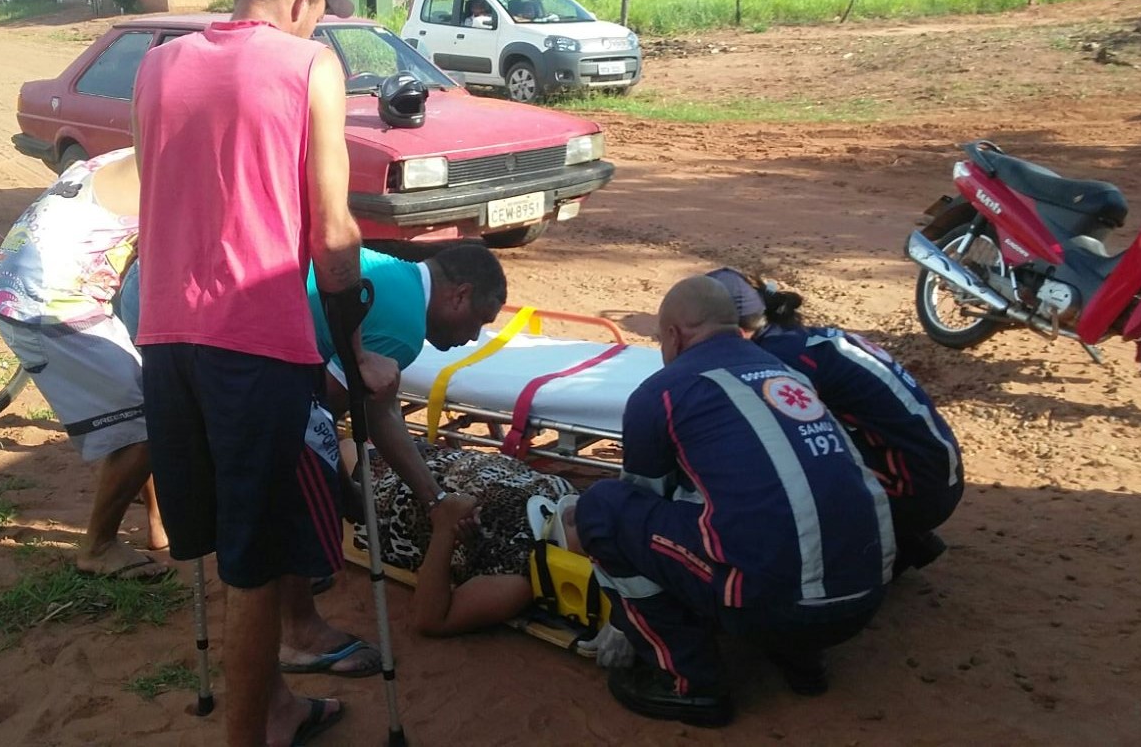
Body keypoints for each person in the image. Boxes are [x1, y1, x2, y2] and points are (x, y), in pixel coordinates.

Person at [131, 0, 366, 747]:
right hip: (256, 339)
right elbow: (332, 233)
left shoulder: (157, 64)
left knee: (219, 545)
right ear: (305, 1)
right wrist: (347, 341)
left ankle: (274, 709)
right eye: (320, 10)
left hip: (164, 332)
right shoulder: (311, 66)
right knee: (259, 562)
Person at [118, 243, 508, 672]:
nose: (472, 338)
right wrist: (345, 490)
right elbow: (312, 416)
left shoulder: (394, 273)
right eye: (478, 322)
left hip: (164, 284)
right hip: (206, 313)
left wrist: (427, 497)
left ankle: (283, 585)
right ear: (459, 294)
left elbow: (376, 410)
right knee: (284, 468)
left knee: (254, 454)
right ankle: (297, 630)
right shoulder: (405, 328)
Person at [575, 276, 896, 728]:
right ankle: (802, 661)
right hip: (864, 596)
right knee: (775, 505)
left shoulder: (661, 392)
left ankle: (689, 681)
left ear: (673, 334)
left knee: (605, 508)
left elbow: (638, 505)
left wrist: (622, 614)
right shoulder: (788, 374)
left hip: (773, 606)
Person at [0, 147, 166, 580]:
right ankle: (98, 547)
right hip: (48, 300)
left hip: (25, 282)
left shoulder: (138, 151)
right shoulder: (180, 170)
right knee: (148, 424)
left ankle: (159, 523)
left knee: (141, 402)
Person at [705, 267, 963, 572]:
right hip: (938, 473)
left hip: (918, 487)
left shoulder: (779, 362)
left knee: (776, 462)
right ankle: (900, 537)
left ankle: (865, 556)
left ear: (737, 331)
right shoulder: (799, 340)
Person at [348, 443, 576, 637]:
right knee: (338, 440)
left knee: (336, 449)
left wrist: (444, 529)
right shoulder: (567, 496)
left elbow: (431, 619)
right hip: (428, 459)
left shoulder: (520, 577)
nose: (582, 508)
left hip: (392, 490)